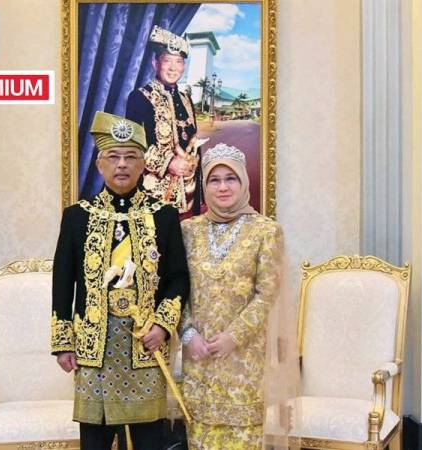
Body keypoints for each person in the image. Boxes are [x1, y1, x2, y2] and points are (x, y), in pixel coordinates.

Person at [51, 111, 190, 450]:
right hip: (93, 347)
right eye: (113, 157)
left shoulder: (164, 216)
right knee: (96, 441)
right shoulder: (76, 216)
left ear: (143, 165)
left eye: (131, 157)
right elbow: (62, 281)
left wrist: (162, 326)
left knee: (148, 440)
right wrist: (64, 342)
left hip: (145, 344)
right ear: (100, 164)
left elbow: (177, 278)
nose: (122, 164)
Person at [179, 143, 297, 449]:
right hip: (199, 359)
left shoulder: (266, 231)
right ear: (204, 186)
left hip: (244, 360)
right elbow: (177, 288)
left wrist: (234, 336)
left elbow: (267, 293)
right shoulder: (188, 231)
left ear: (243, 181)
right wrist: (188, 334)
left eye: (230, 178)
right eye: (214, 180)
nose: (222, 187)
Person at [126, 25, 201, 217]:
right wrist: (168, 163)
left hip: (188, 191)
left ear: (184, 66)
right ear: (155, 63)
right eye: (167, 60)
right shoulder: (140, 97)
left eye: (179, 62)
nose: (173, 68)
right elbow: (132, 144)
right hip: (154, 194)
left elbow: (193, 142)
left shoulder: (186, 99)